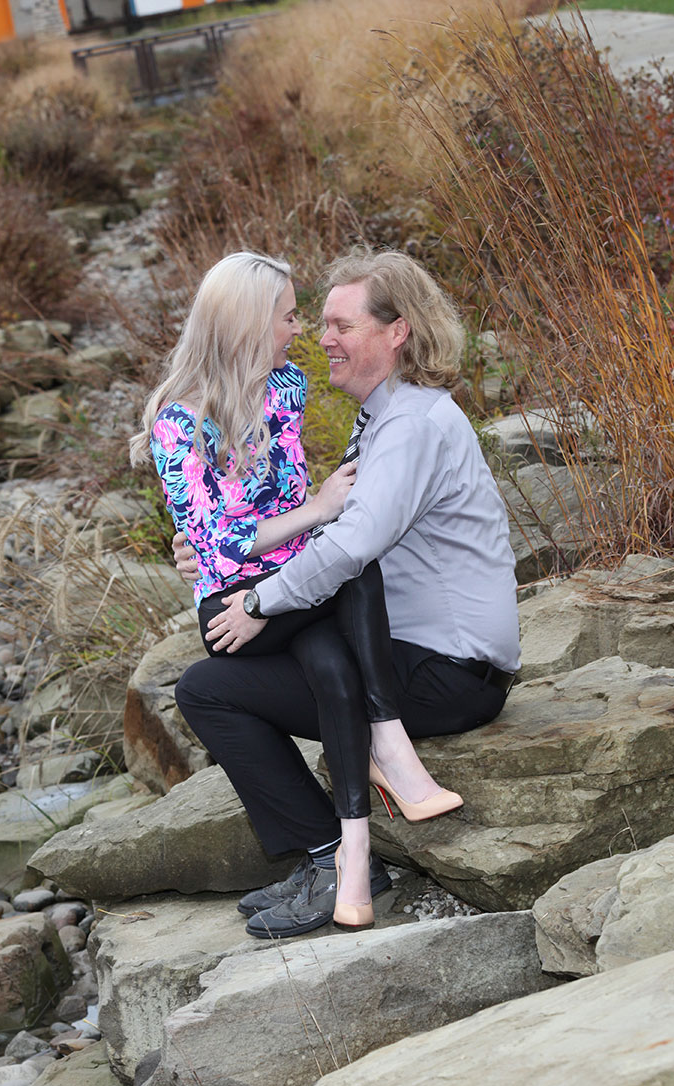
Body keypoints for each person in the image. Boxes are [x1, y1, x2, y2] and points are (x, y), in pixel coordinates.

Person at [172, 249, 521, 939]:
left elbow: (350, 547)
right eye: (317, 322)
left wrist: (256, 602)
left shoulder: (412, 426)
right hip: (412, 655)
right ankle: (334, 855)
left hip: (446, 673)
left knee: (209, 689)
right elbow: (317, 526)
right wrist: (219, 552)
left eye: (341, 324)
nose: (321, 337)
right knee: (254, 661)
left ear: (398, 332)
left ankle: (335, 858)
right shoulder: (391, 417)